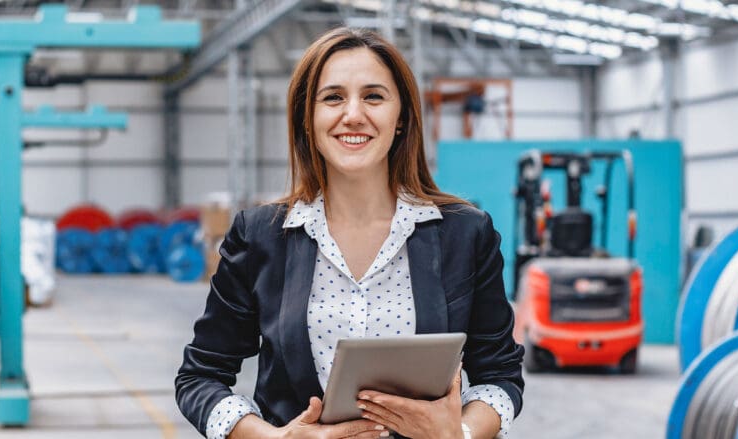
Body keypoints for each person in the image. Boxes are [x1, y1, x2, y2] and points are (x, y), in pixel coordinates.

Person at [176, 27, 524, 439]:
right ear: (308, 119)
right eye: (333, 97)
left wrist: (458, 433)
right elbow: (200, 377)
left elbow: (500, 376)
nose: (353, 114)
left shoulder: (466, 234)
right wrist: (275, 438)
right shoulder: (259, 237)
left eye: (373, 96)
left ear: (401, 119)